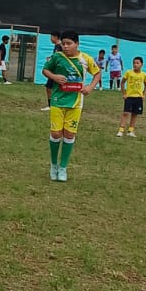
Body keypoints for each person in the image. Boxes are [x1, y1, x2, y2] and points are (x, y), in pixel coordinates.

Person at [43, 31, 101, 181]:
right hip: (57, 100)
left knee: (69, 134)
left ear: (77, 44)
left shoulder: (85, 59)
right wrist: (54, 77)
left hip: (75, 102)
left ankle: (63, 167)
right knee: (56, 133)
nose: (66, 46)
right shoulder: (57, 57)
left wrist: (90, 87)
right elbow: (45, 70)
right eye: (63, 44)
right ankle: (53, 164)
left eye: (69, 43)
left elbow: (97, 73)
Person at [116, 56, 146, 137]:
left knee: (135, 114)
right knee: (126, 113)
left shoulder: (144, 75)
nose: (135, 65)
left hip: (138, 97)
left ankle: (130, 131)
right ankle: (121, 130)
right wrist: (124, 93)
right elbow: (122, 82)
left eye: (137, 63)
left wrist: (144, 95)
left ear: (141, 64)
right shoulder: (128, 72)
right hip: (129, 96)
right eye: (134, 63)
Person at [41, 32, 62, 109]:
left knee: (49, 87)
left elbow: (58, 57)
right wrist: (51, 58)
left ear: (56, 37)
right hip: (55, 70)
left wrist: (51, 60)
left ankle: (52, 105)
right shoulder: (57, 46)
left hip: (56, 71)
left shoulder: (59, 46)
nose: (50, 39)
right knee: (49, 87)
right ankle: (52, 104)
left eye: (51, 37)